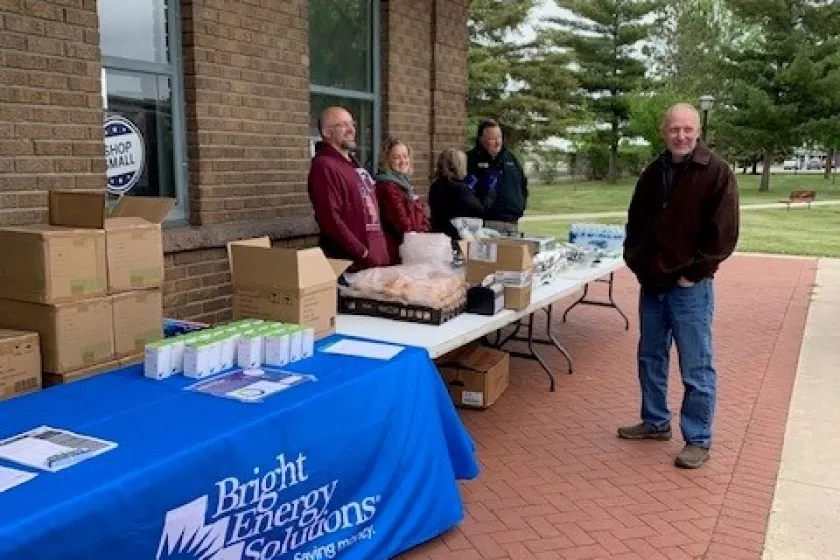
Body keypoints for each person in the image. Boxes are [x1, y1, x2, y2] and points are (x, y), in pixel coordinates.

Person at [619, 103, 740, 469]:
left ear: (698, 130)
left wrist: (694, 274)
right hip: (652, 284)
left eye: (687, 129)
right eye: (674, 129)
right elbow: (635, 223)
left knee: (696, 366)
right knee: (650, 357)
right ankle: (655, 421)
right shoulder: (653, 173)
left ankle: (698, 439)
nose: (681, 136)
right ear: (663, 131)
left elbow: (725, 235)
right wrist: (638, 263)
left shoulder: (715, 172)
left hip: (691, 288)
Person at [307, 107, 389, 271]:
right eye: (343, 125)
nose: (351, 129)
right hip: (349, 264)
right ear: (327, 132)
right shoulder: (324, 166)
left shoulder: (353, 164)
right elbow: (330, 219)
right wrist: (362, 251)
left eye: (352, 124)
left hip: (374, 262)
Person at [466, 119, 528, 234]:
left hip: (511, 223)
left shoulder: (510, 158)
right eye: (492, 139)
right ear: (481, 139)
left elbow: (523, 185)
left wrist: (521, 206)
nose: (498, 142)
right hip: (486, 224)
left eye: (499, 137)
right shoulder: (471, 160)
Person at [374, 136, 429, 264]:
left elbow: (421, 214)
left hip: (412, 246)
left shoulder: (404, 184)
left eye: (405, 156)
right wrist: (418, 239)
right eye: (397, 157)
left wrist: (423, 234)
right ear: (387, 160)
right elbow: (401, 222)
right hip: (396, 251)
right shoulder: (388, 186)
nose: (403, 161)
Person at [428, 148, 496, 241]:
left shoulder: (436, 185)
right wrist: (490, 190)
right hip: (456, 236)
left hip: (438, 233)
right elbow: (480, 209)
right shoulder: (459, 188)